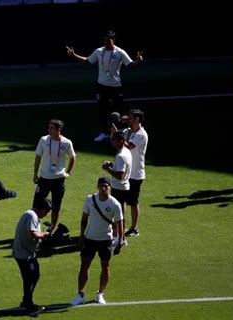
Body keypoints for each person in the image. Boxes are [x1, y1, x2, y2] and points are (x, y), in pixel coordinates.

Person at [66, 30, 143, 142]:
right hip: (102, 86)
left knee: (116, 113)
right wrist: (74, 55)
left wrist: (138, 61)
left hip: (116, 87)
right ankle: (105, 133)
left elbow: (131, 64)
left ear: (114, 40)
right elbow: (87, 61)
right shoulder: (99, 51)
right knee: (102, 111)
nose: (106, 42)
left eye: (109, 40)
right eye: (105, 40)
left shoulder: (120, 52)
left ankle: (121, 133)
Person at [69, 177, 125, 306]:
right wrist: (81, 237)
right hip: (89, 239)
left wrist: (120, 242)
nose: (104, 188)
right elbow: (84, 219)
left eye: (106, 186)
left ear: (110, 187)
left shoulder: (115, 204)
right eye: (101, 186)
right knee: (84, 265)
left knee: (105, 266)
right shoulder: (89, 199)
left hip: (105, 240)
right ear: (97, 187)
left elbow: (120, 223)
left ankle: (100, 294)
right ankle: (80, 294)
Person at [33, 119, 76, 235]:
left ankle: (51, 230)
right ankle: (34, 229)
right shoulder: (43, 140)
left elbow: (73, 157)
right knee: (36, 205)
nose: (49, 130)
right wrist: (35, 173)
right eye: (49, 127)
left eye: (52, 128)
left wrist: (68, 172)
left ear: (58, 129)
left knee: (56, 207)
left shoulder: (67, 142)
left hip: (58, 180)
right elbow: (38, 157)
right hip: (44, 178)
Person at [12, 198, 52, 313]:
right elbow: (31, 234)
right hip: (23, 254)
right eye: (46, 211)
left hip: (25, 252)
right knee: (31, 277)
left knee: (32, 276)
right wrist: (45, 234)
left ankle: (26, 301)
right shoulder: (31, 216)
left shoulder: (31, 215)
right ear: (41, 209)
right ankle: (28, 304)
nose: (47, 214)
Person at [117, 109, 148, 237]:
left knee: (133, 202)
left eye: (130, 117)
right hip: (126, 172)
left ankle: (134, 228)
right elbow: (116, 138)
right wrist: (116, 123)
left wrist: (118, 135)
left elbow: (128, 146)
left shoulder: (141, 134)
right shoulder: (127, 131)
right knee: (122, 200)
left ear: (136, 119)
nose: (127, 118)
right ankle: (121, 226)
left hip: (136, 174)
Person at [101, 130, 132, 242]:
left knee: (116, 215)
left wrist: (107, 168)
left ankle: (119, 238)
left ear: (121, 141)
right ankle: (120, 237)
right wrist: (112, 165)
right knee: (120, 213)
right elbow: (121, 168)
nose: (111, 141)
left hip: (118, 188)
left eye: (114, 139)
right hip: (124, 187)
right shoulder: (126, 151)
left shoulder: (121, 155)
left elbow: (120, 175)